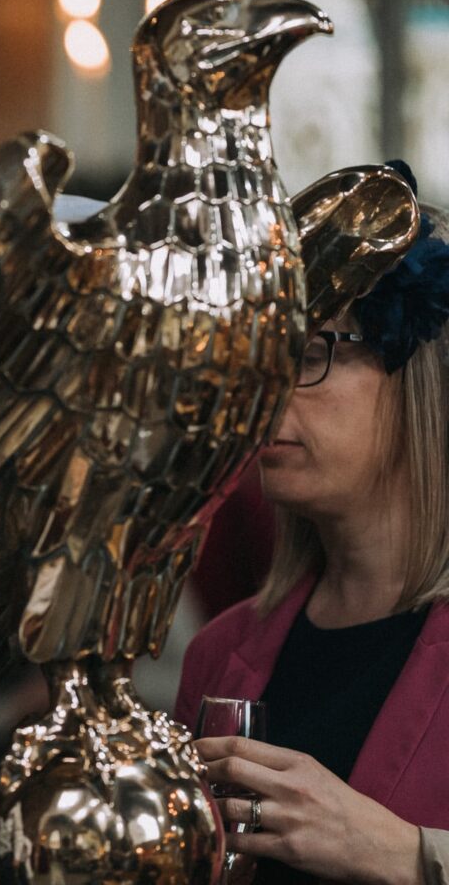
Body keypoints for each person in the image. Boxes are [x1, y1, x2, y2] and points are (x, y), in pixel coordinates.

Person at [176, 196, 449, 884]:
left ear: (425, 378)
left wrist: (406, 856)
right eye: (259, 359)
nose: (263, 396)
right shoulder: (220, 654)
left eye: (308, 354)